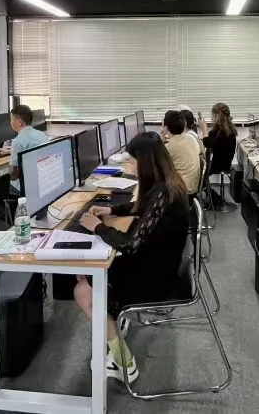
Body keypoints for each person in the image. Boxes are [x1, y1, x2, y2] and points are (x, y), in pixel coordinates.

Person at [73, 132, 190, 383]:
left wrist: (98, 227)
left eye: (133, 160)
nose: (130, 165)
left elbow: (130, 244)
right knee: (85, 272)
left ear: (145, 162)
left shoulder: (162, 191)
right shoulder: (167, 183)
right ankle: (115, 319)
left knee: (83, 290)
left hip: (156, 278)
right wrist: (112, 209)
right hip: (162, 263)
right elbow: (145, 209)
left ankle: (123, 362)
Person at [8, 104, 49, 192]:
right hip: (44, 180)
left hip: (28, 186)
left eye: (11, 119)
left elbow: (14, 175)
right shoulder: (41, 134)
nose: (10, 122)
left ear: (19, 122)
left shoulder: (18, 142)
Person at [162, 110, 201, 196]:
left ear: (166, 127)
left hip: (181, 193)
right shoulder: (191, 138)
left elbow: (157, 166)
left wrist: (161, 136)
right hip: (192, 188)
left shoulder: (168, 147)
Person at [199, 102, 237, 180]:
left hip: (221, 165)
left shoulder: (224, 132)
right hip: (221, 162)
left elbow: (208, 143)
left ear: (217, 116)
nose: (211, 117)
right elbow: (211, 136)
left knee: (199, 170)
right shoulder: (223, 129)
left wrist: (204, 130)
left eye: (212, 115)